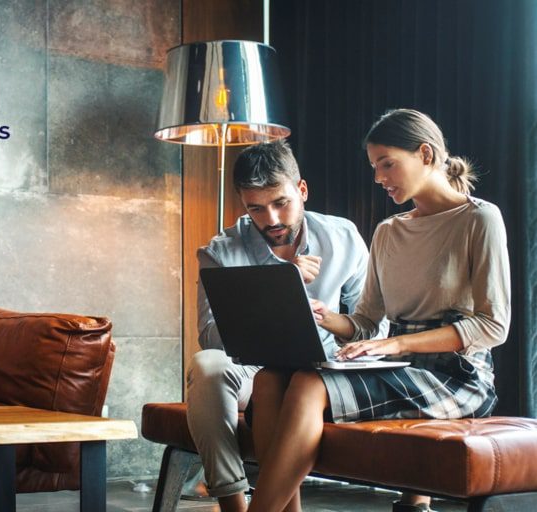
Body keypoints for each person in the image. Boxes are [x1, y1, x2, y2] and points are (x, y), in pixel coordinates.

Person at [246, 109, 511, 512]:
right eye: (374, 166)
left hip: (458, 374)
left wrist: (397, 345)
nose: (378, 177)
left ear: (425, 154)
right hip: (400, 364)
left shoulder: (479, 219)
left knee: (309, 384)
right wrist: (318, 314)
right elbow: (367, 323)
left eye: (387, 163)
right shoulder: (388, 231)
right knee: (272, 379)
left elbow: (493, 325)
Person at [187, 140, 380, 512]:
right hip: (249, 366)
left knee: (291, 382)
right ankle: (233, 503)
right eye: (255, 208)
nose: (271, 220)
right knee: (206, 366)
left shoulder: (343, 238)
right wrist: (281, 285)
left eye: (281, 203)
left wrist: (335, 333)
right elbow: (209, 336)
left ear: (302, 190)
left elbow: (370, 327)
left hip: (321, 367)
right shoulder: (220, 251)